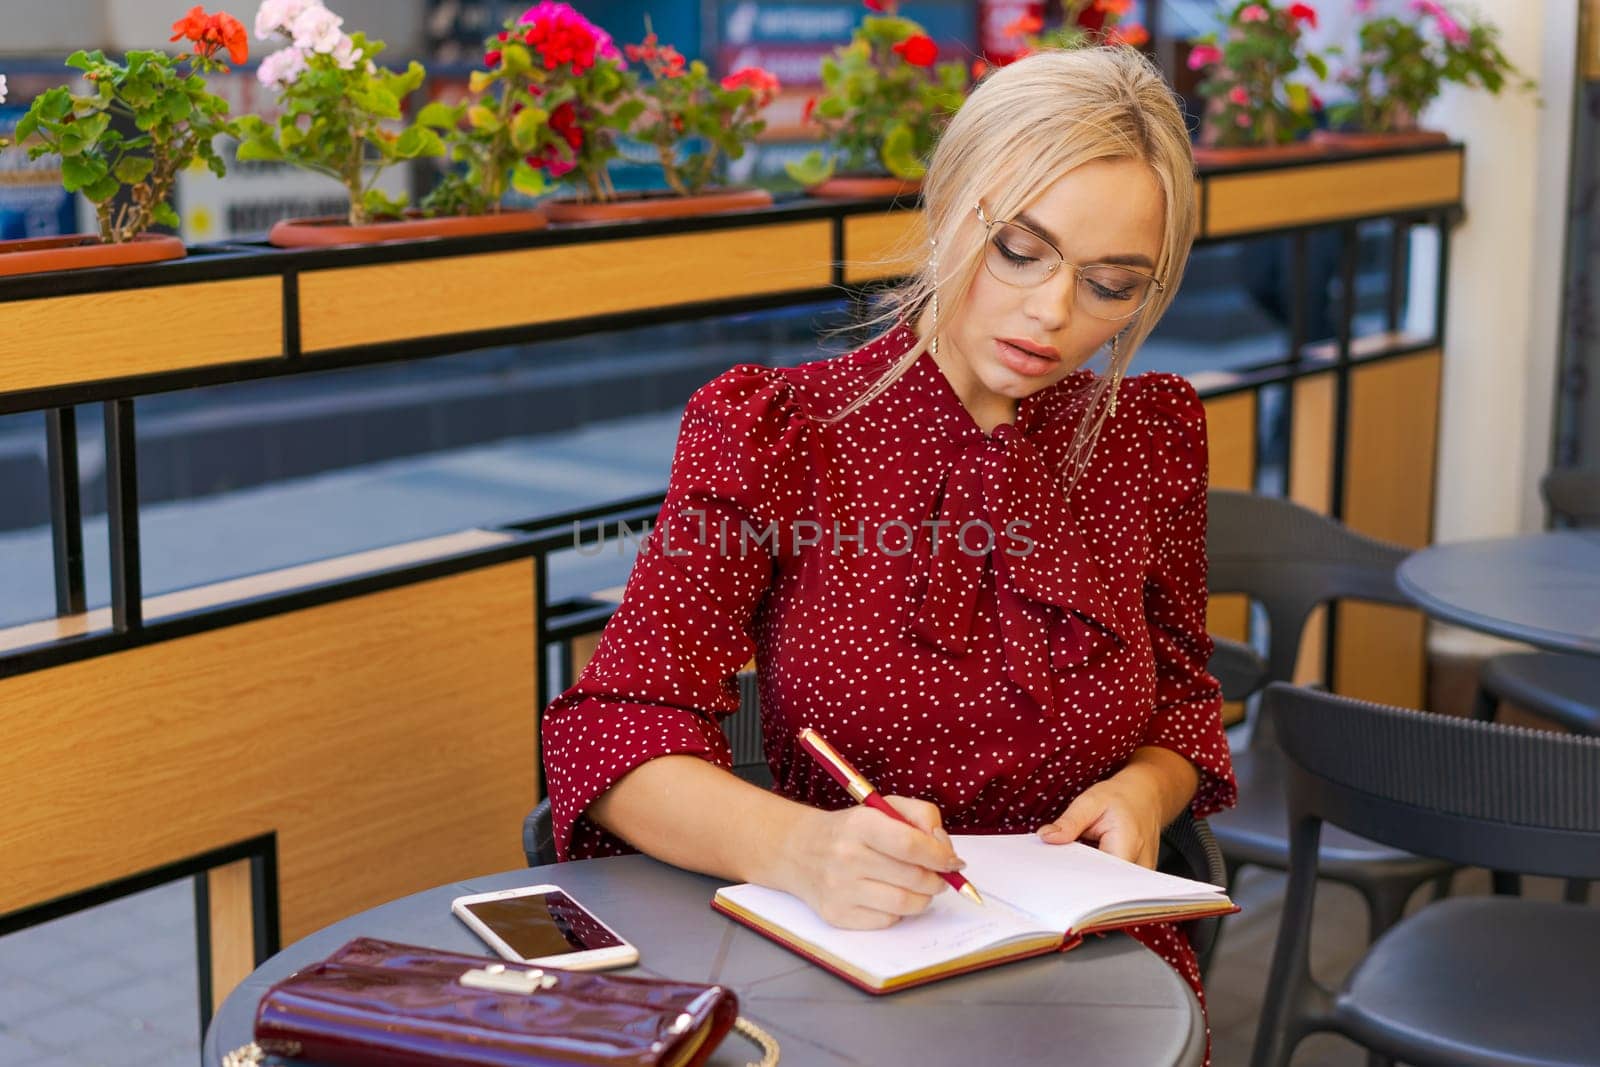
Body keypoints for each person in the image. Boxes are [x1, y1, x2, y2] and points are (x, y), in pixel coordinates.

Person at [541, 43, 1237, 1054]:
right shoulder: (779, 432)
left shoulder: (1147, 438)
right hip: (846, 961)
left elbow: (1180, 698)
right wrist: (802, 844)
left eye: (1109, 284)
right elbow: (613, 731)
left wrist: (1145, 789)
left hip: (1096, 975)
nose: (1052, 312)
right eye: (1020, 249)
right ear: (947, 201)